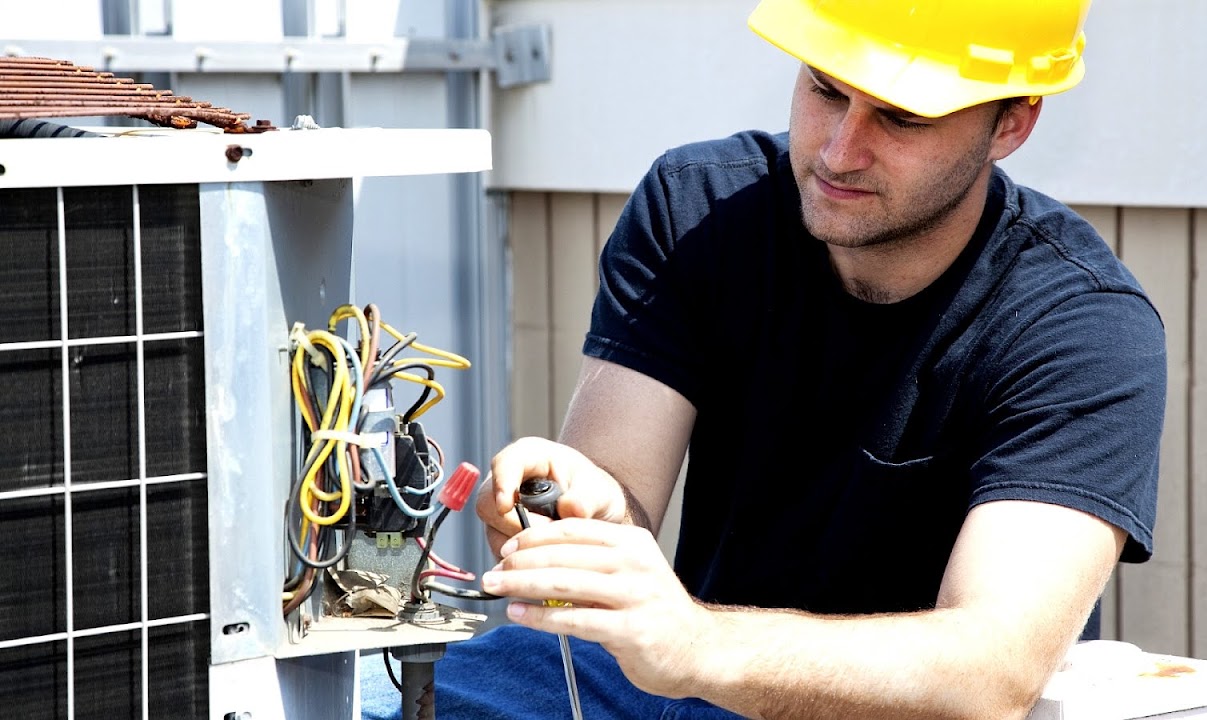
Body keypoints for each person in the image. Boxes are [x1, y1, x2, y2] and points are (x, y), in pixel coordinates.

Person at [362, 0, 1165, 717]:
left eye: (902, 118)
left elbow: (990, 674)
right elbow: (622, 501)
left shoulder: (1083, 326)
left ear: (1014, 123)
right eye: (824, 88)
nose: (840, 150)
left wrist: (696, 647)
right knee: (353, 695)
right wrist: (581, 505)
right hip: (665, 682)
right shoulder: (698, 209)